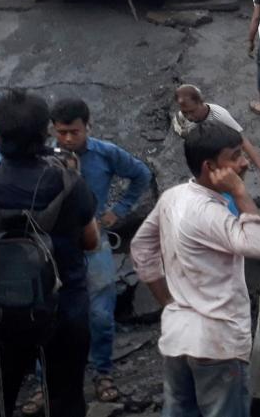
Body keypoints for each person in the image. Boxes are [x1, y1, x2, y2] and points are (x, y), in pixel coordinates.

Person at [0, 90, 99, 417]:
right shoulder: (70, 183)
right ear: (44, 133)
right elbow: (92, 242)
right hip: (65, 309)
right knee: (67, 400)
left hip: (0, 313)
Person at [130, 122, 260, 417]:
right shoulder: (209, 213)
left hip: (177, 337)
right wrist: (240, 194)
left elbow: (141, 248)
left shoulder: (174, 196)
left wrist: (168, 302)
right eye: (235, 157)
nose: (244, 162)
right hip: (216, 345)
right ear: (210, 166)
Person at [49, 98, 152, 405]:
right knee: (52, 315)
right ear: (52, 129)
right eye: (61, 132)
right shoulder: (44, 159)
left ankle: (102, 373)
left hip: (95, 244)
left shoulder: (105, 154)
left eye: (74, 132)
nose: (67, 139)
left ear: (87, 127)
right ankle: (49, 381)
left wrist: (118, 211)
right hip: (53, 247)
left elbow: (141, 175)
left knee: (100, 315)